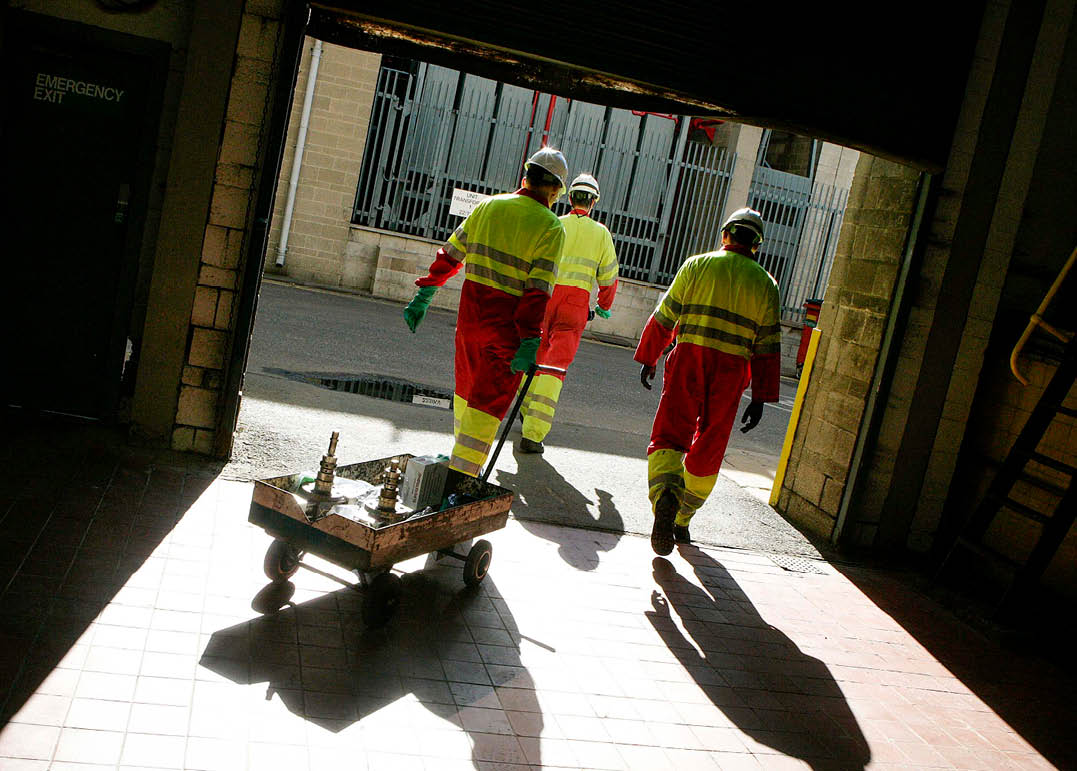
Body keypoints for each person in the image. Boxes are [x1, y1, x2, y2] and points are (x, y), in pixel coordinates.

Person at [402, 147, 568, 477]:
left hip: (469, 321)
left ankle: (459, 462)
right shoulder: (551, 227)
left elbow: (451, 253)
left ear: (526, 177)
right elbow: (536, 293)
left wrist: (426, 292)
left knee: (466, 393)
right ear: (553, 189)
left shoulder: (489, 206)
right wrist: (529, 341)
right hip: (505, 332)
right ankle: (460, 480)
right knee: (486, 404)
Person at [635, 207, 781, 555]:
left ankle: (665, 495)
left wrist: (649, 356)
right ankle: (682, 518)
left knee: (670, 432)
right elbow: (768, 348)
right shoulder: (766, 284)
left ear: (725, 234)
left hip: (689, 358)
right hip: (731, 372)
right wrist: (760, 397)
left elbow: (666, 315)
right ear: (756, 245)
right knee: (710, 443)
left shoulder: (697, 265)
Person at [518, 173, 619, 453]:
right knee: (554, 367)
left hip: (546, 297)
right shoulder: (601, 233)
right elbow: (609, 278)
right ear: (594, 202)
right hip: (575, 305)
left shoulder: (555, 223)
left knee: (535, 357)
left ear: (569, 197)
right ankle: (533, 434)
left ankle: (526, 408)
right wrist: (604, 307)